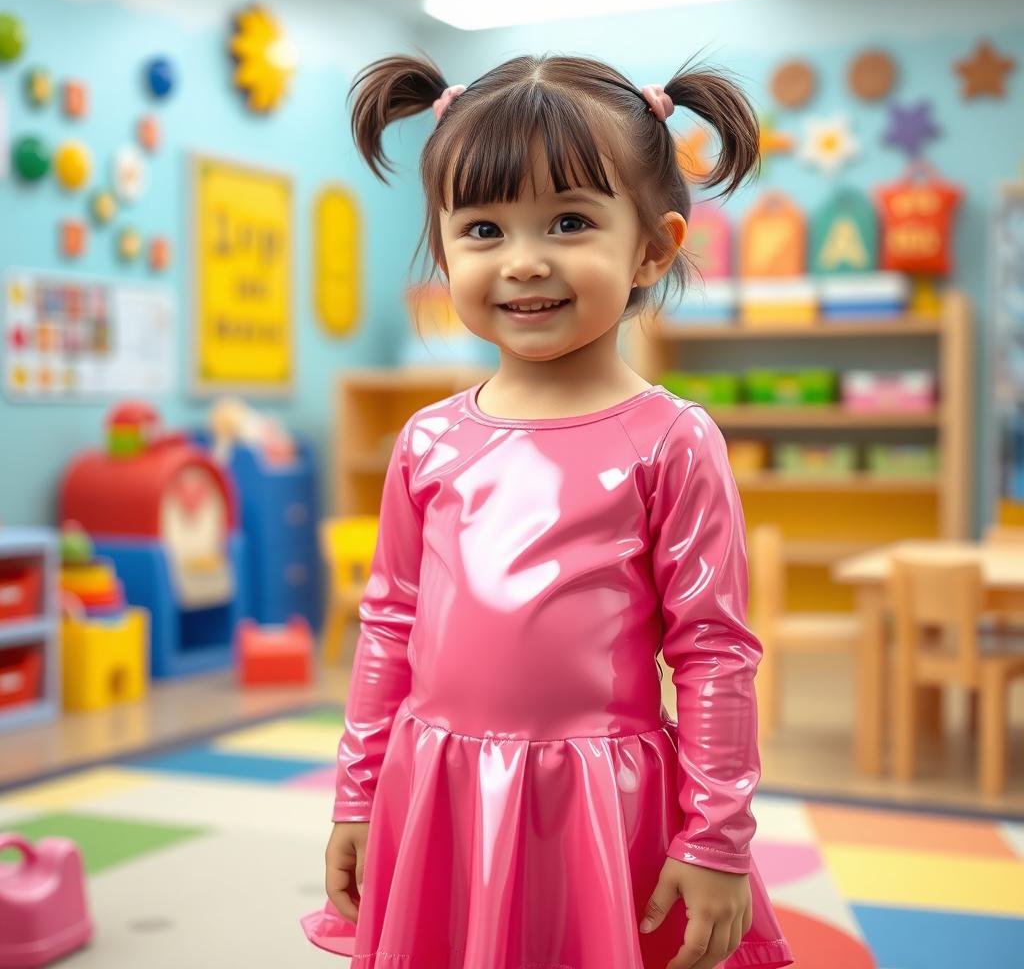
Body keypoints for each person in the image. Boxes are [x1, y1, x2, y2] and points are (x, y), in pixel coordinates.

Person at [301, 51, 794, 969]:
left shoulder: (672, 440)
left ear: (653, 246)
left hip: (601, 806)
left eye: (569, 221)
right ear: (444, 249)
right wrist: (358, 795)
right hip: (439, 791)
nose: (524, 261)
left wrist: (716, 837)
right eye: (483, 228)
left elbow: (714, 649)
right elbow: (389, 624)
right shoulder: (427, 441)